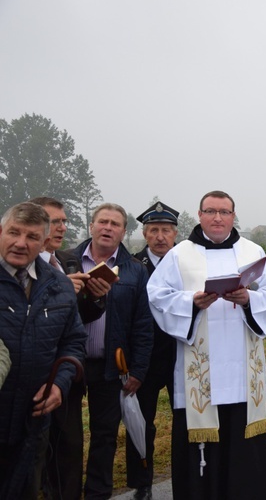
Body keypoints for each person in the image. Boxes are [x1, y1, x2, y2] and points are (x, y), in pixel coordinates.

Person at [148, 191, 266, 499]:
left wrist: (249, 298)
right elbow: (157, 295)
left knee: (242, 449)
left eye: (224, 212)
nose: (218, 218)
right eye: (211, 211)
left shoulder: (252, 250)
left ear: (233, 216)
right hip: (200, 372)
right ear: (199, 215)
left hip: (242, 375)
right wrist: (192, 302)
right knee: (201, 454)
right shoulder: (180, 253)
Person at [0, 202, 86, 499]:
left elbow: (73, 342)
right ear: (1, 232)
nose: (21, 243)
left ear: (44, 241)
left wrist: (60, 385)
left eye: (32, 237)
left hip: (33, 422)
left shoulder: (59, 286)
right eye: (14, 232)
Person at [29, 197, 110, 500]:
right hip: (28, 376)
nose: (62, 227)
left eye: (64, 221)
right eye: (54, 221)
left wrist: (95, 298)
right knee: (30, 459)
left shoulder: (66, 261)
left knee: (69, 451)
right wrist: (60, 292)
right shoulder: (20, 264)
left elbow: (76, 321)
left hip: (65, 377)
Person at [71, 203, 154, 499]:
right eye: (102, 221)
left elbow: (143, 326)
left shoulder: (135, 270)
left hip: (111, 366)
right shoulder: (66, 262)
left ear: (123, 231)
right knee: (66, 437)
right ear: (91, 226)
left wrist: (139, 370)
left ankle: (97, 493)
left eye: (115, 224)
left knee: (104, 437)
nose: (108, 228)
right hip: (71, 364)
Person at [126, 201, 180, 500]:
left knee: (184, 417)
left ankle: (187, 474)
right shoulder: (133, 267)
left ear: (175, 233)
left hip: (180, 352)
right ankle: (142, 482)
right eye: (154, 230)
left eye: (166, 230)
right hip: (143, 356)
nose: (161, 237)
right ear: (145, 234)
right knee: (141, 422)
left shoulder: (187, 263)